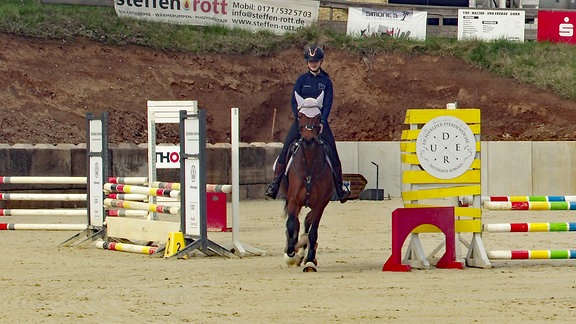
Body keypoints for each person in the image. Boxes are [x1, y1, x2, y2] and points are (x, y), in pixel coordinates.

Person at [265, 44, 350, 203]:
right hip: (302, 121)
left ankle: (339, 187)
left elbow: (328, 104)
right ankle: (275, 184)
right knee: (286, 149)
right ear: (307, 62)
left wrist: (323, 121)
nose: (313, 63)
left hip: (319, 122)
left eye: (316, 60)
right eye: (311, 61)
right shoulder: (301, 80)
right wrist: (299, 119)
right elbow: (293, 101)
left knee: (333, 152)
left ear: (321, 61)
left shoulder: (326, 81)